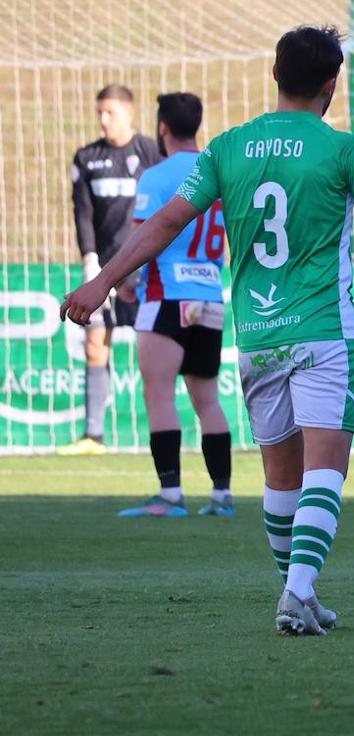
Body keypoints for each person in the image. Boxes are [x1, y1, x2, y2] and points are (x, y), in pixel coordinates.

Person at [62, 25, 354, 636]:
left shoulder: (226, 148)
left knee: (280, 480)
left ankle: (299, 592)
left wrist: (102, 281)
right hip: (323, 330)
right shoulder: (344, 151)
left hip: (257, 334)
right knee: (325, 471)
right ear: (332, 85)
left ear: (275, 76)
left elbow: (162, 226)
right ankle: (300, 590)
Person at [113, 93, 234, 519]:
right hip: (210, 297)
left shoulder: (157, 176)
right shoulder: (219, 172)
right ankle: (222, 496)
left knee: (160, 395)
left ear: (162, 127)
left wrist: (126, 282)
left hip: (166, 296)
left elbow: (144, 238)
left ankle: (169, 494)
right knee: (208, 399)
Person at [61, 85, 161, 455]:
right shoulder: (87, 158)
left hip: (144, 271)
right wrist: (90, 260)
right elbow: (83, 214)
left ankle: (160, 432)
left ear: (129, 114)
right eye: (99, 112)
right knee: (94, 344)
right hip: (102, 273)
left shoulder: (150, 153)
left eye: (110, 112)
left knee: (153, 348)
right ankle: (94, 434)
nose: (103, 119)